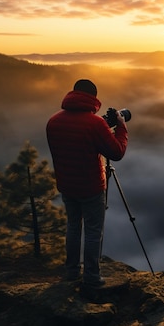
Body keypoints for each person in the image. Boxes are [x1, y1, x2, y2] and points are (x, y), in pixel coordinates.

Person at [46, 79, 128, 286]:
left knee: (73, 227)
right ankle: (91, 276)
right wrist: (121, 127)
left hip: (66, 184)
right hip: (91, 187)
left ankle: (71, 271)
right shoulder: (95, 124)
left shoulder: (53, 121)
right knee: (93, 231)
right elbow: (117, 152)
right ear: (93, 98)